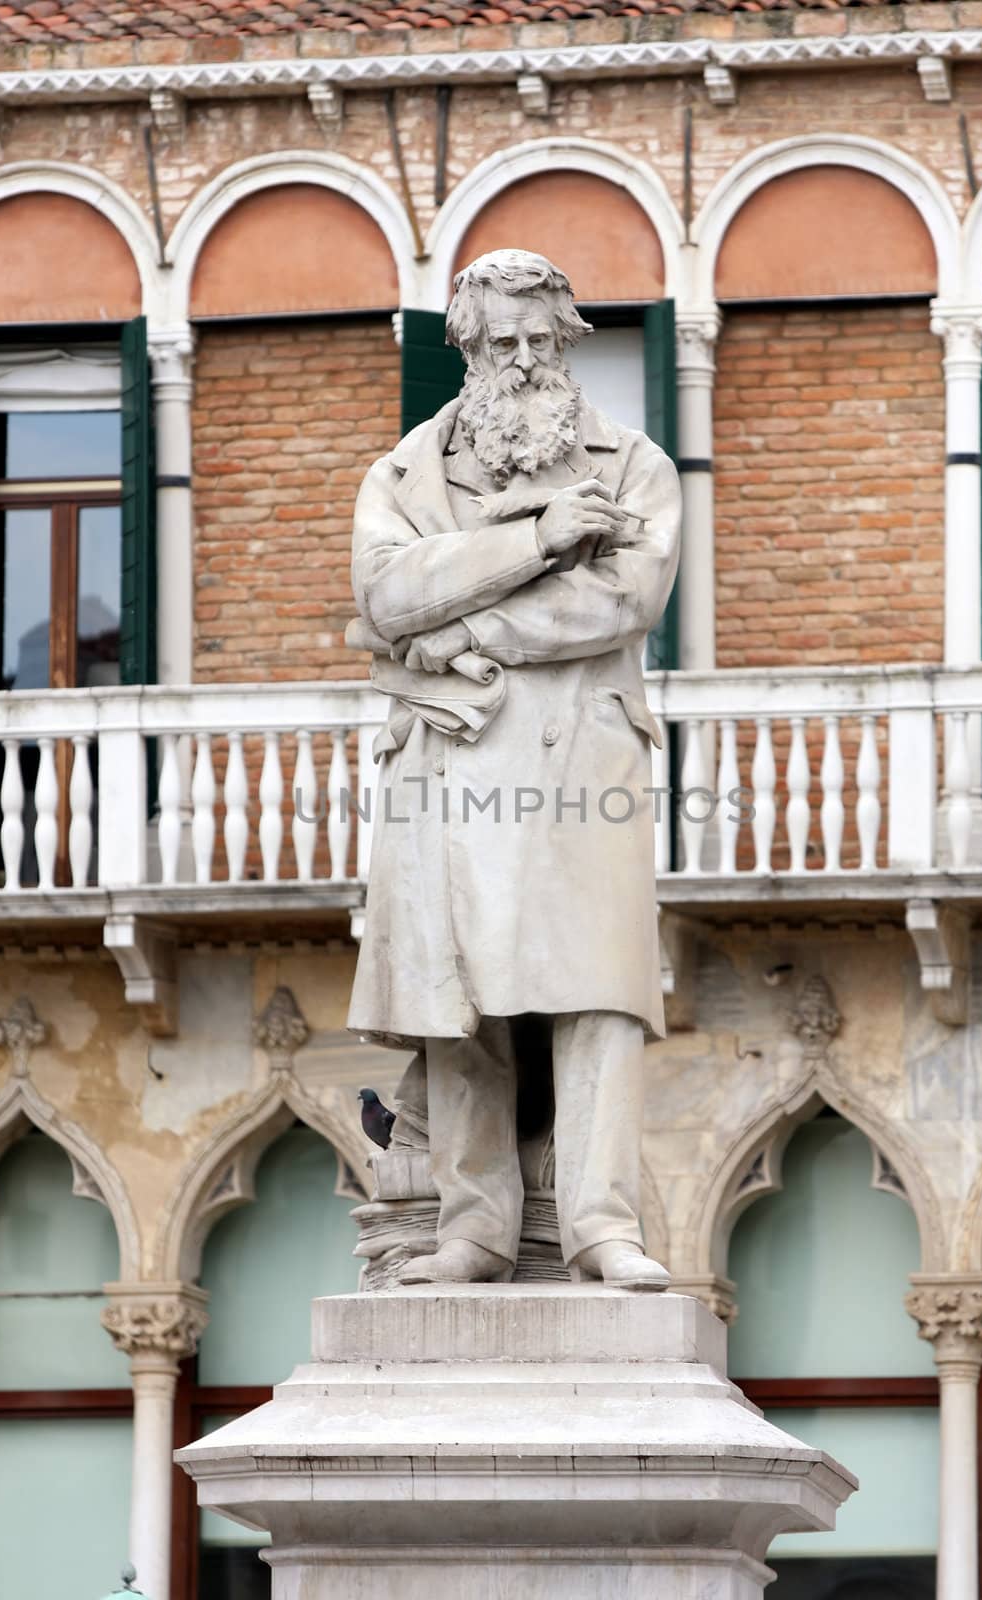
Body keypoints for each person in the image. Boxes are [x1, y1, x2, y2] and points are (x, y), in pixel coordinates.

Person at [347, 248, 681, 1289]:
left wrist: (463, 626)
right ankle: (474, 1228)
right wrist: (538, 538)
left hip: (581, 756)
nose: (525, 359)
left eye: (542, 339)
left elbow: (619, 602)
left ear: (569, 341)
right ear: (466, 347)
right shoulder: (403, 472)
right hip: (449, 761)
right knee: (462, 1000)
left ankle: (598, 1225)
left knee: (596, 991)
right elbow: (387, 598)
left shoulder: (632, 466)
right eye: (503, 341)